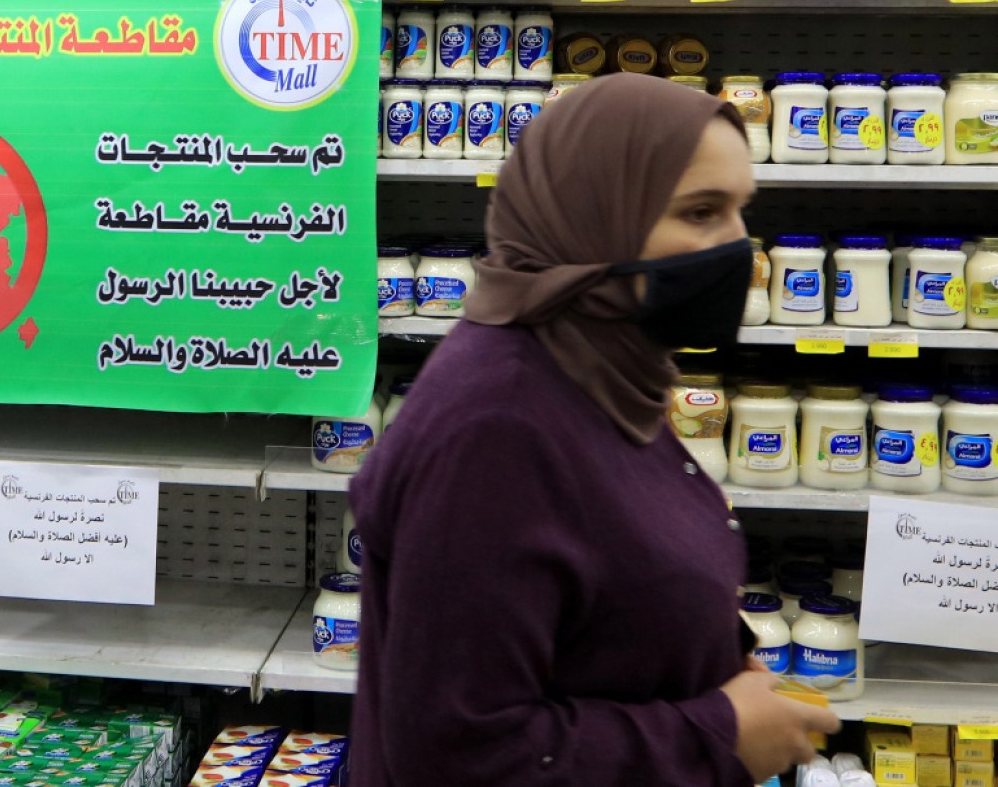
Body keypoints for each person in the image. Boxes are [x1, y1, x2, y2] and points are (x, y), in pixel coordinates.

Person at [347, 73, 841, 785]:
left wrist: (713, 656)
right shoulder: (494, 432)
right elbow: (460, 752)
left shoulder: (600, 365)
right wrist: (717, 736)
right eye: (701, 212)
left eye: (740, 210)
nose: (738, 248)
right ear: (589, 215)